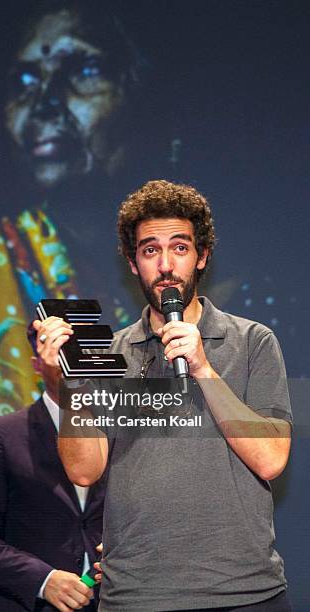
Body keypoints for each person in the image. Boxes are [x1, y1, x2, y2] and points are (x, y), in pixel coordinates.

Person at [0, 0, 160, 502]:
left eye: (82, 70)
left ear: (148, 97)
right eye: (23, 82)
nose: (41, 103)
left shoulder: (210, 279)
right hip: (16, 553)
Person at [33, 180, 293, 611]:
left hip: (245, 592)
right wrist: (68, 384)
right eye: (150, 250)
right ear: (134, 264)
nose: (166, 265)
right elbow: (84, 471)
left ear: (202, 255)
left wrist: (203, 369)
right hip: (137, 595)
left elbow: (270, 459)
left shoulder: (252, 341)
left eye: (180, 247)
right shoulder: (109, 354)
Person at [0, 327, 105, 612]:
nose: (71, 362)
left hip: (117, 601)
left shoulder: (121, 427)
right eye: (59, 352)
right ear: (37, 363)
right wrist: (43, 580)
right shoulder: (2, 435)